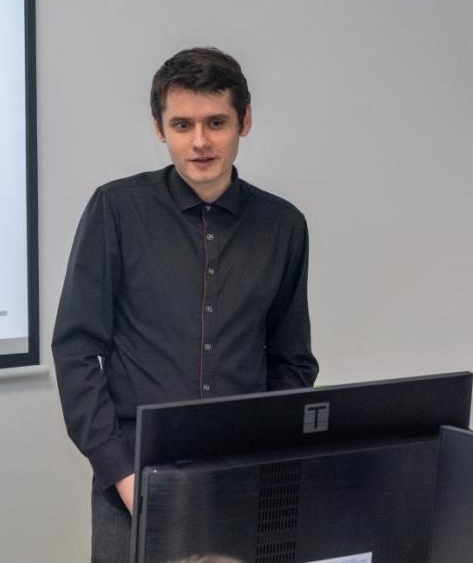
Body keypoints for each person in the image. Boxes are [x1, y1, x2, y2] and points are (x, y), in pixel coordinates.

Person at [52, 47, 319, 562]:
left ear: (244, 121)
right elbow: (76, 350)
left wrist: (265, 456)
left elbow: (293, 361)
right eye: (182, 124)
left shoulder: (283, 226)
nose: (200, 141)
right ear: (160, 128)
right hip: (133, 479)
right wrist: (120, 471)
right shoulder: (116, 210)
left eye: (216, 122)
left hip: (243, 480)